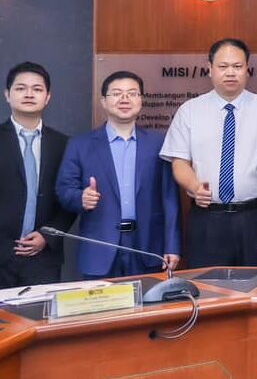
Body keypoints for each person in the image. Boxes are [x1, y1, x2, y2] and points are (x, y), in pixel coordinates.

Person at [160, 38, 257, 267]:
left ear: (247, 69)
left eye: (237, 67)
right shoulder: (190, 110)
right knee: (209, 291)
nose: (230, 73)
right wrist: (194, 186)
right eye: (223, 66)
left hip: (254, 217)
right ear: (209, 69)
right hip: (207, 218)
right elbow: (179, 162)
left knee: (255, 290)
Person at [56, 71, 181, 278]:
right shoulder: (80, 145)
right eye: (116, 93)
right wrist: (81, 198)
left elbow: (169, 198)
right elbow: (63, 189)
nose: (125, 99)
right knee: (104, 310)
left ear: (141, 100)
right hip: (100, 248)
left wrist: (172, 245)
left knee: (149, 308)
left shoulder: (158, 143)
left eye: (132, 93)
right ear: (103, 101)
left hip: (147, 247)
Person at [0, 62, 76, 288]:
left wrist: (47, 236)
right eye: (21, 88)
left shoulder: (64, 144)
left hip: (44, 258)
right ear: (7, 94)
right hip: (1, 254)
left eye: (37, 89)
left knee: (39, 321)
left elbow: (68, 200)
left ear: (48, 97)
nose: (29, 94)